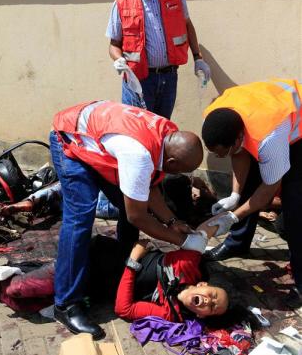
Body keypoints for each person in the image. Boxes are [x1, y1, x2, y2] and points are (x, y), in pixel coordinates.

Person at [50, 99, 206, 339]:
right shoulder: (139, 154)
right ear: (173, 162)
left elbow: (149, 185)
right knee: (80, 219)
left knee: (130, 200)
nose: (178, 175)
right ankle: (66, 304)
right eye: (179, 170)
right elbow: (138, 217)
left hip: (98, 142)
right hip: (71, 140)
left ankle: (126, 260)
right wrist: (182, 242)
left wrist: (172, 221)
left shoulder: (167, 134)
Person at [201, 78, 302, 308]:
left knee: (296, 208)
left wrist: (233, 216)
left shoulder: (269, 139)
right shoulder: (216, 115)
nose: (219, 157)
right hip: (268, 118)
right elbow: (237, 153)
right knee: (248, 184)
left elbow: (266, 192)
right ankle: (238, 242)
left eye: (222, 152)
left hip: (297, 130)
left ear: (238, 138)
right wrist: (235, 195)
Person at [106, 0, 211, 119]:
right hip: (138, 79)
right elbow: (113, 45)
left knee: (163, 127)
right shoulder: (121, 2)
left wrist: (198, 58)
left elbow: (187, 25)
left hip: (169, 77)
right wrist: (119, 60)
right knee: (138, 131)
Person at [115, 235, 229, 322]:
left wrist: (132, 261)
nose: (208, 301)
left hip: (106, 274)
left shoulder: (170, 312)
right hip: (114, 248)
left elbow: (124, 310)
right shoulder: (190, 267)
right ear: (203, 284)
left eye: (213, 307)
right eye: (213, 295)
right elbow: (200, 236)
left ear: (201, 315)